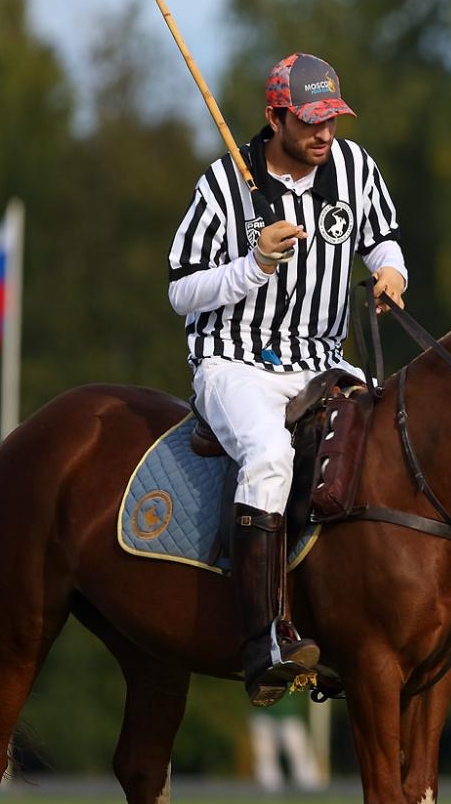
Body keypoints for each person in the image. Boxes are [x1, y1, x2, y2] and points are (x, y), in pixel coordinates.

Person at [166, 53, 416, 704]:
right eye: (310, 121)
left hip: (322, 362)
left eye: (332, 118)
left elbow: (382, 237)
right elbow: (181, 290)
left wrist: (392, 272)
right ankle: (264, 641)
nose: (324, 134)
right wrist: (251, 264)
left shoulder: (354, 169)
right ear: (274, 117)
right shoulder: (224, 185)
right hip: (235, 363)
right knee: (270, 453)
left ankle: (414, 622)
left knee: (397, 433)